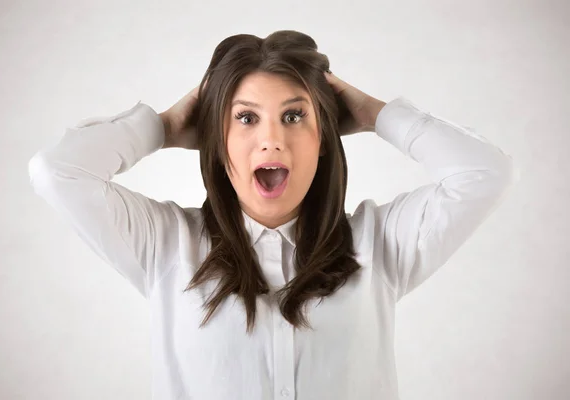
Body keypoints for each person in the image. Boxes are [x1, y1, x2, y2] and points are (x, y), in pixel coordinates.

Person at [28, 30, 517, 400]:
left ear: (323, 140)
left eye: (294, 115)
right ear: (217, 141)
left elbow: (484, 171)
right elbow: (57, 172)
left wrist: (372, 113)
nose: (272, 139)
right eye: (245, 118)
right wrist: (164, 125)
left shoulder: (381, 245)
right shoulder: (164, 245)